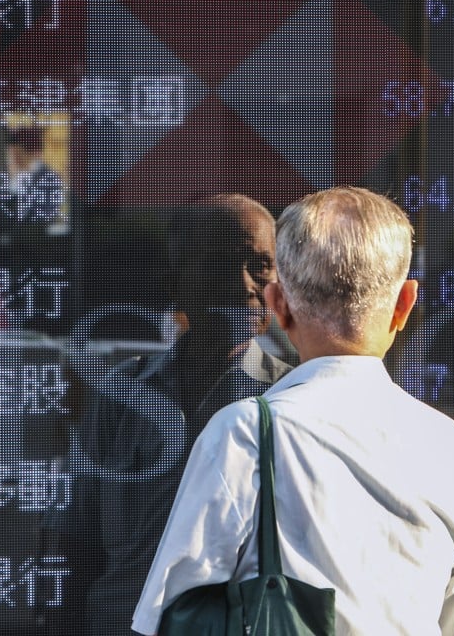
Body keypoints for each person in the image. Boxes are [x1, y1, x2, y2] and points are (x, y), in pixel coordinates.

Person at [132, 186, 454, 635]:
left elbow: (168, 618)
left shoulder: (243, 434)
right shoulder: (453, 450)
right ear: (405, 304)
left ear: (279, 305)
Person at [69, 194, 293, 636]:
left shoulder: (291, 400)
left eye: (260, 266)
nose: (243, 284)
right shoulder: (119, 396)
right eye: (218, 264)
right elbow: (77, 539)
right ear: (174, 285)